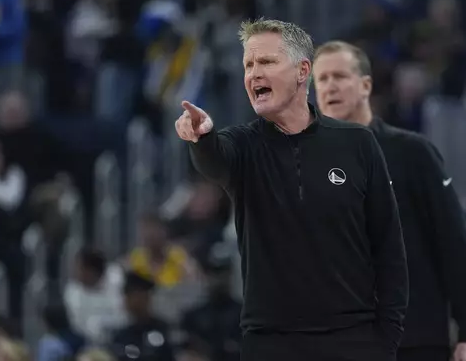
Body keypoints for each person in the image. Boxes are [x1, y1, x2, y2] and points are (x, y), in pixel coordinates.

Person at [174, 18, 408, 361]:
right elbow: (214, 163)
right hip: (270, 343)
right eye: (248, 65)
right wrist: (202, 137)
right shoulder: (241, 145)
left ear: (302, 71)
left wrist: (386, 339)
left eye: (266, 62)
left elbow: (388, 247)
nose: (254, 73)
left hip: (353, 340)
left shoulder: (357, 143)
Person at [312, 40, 466, 361]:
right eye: (321, 79)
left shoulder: (412, 153)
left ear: (365, 85)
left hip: (414, 340)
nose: (330, 87)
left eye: (339, 76)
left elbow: (455, 246)